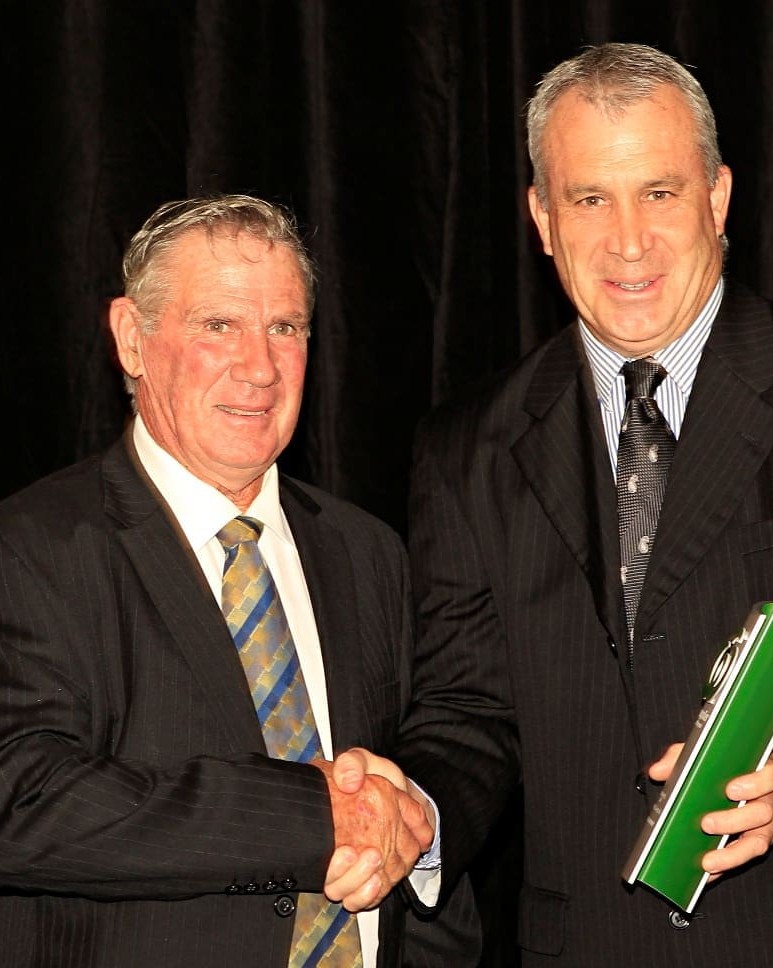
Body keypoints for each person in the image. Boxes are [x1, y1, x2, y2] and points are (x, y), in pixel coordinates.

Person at [393, 42, 773, 965]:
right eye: (590, 199)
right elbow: (469, 713)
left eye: (658, 192)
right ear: (542, 218)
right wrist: (409, 813)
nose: (628, 240)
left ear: (718, 197)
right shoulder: (467, 450)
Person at [0, 194, 477, 967]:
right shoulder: (32, 549)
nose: (259, 366)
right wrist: (310, 818)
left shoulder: (366, 551)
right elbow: (22, 798)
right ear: (131, 338)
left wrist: (408, 832)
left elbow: (413, 771)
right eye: (218, 325)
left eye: (284, 327)